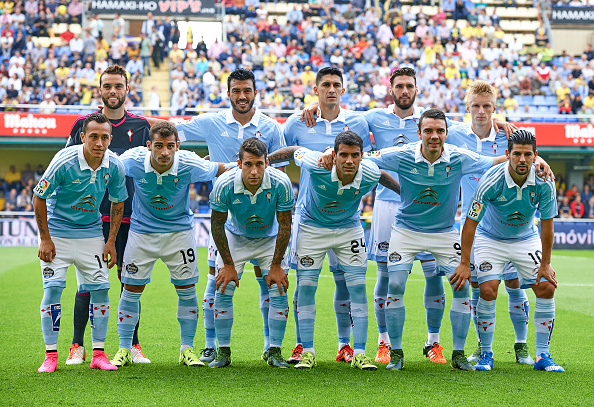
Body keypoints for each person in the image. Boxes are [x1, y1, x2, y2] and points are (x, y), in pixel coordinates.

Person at [303, 67, 516, 365]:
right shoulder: (374, 118)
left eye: (409, 86)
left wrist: (498, 121)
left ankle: (436, 344)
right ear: (391, 90)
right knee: (389, 278)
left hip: (439, 223)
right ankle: (386, 344)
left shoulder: (443, 129)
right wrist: (317, 106)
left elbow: (479, 126)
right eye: (399, 86)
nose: (404, 90)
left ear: (416, 90)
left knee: (439, 278)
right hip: (392, 208)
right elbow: (345, 125)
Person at [363, 109, 507, 371]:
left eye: (439, 131)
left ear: (446, 134)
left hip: (444, 232)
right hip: (406, 231)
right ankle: (396, 353)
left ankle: (458, 354)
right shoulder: (404, 154)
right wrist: (330, 155)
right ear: (419, 133)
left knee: (461, 287)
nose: (434, 136)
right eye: (428, 130)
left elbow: (494, 161)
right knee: (394, 283)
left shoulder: (460, 158)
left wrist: (536, 160)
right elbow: (368, 158)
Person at [174, 68, 287, 363]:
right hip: (227, 222)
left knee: (271, 285)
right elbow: (173, 132)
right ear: (228, 94)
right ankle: (212, 345)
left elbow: (281, 172)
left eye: (247, 90)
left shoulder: (271, 127)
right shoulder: (212, 122)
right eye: (236, 91)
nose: (241, 96)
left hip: (266, 223)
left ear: (255, 93)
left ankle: (271, 347)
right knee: (216, 283)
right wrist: (122, 117)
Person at [267, 131, 400, 370]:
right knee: (306, 287)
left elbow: (383, 177)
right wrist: (266, 160)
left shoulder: (368, 170)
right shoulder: (315, 162)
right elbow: (291, 151)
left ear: (362, 157)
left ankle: (359, 353)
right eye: (344, 155)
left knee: (358, 289)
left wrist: (405, 194)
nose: (349, 161)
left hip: (349, 228)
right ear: (334, 155)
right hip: (312, 227)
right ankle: (307, 351)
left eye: (355, 156)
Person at [445, 80, 551, 365]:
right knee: (482, 288)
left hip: (515, 227)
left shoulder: (510, 135)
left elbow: (526, 153)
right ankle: (483, 348)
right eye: (476, 106)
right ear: (468, 108)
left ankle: (521, 346)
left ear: (494, 108)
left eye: (487, 107)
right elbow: (431, 126)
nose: (481, 112)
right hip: (477, 225)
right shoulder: (454, 134)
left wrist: (543, 161)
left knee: (515, 284)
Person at [110, 122, 225, 367]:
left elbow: (222, 168)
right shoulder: (131, 160)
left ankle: (186, 349)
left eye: (170, 146)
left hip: (179, 234)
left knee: (187, 292)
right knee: (130, 291)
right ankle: (124, 348)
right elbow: (106, 164)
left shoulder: (189, 163)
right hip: (142, 234)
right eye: (159, 146)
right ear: (149, 145)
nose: (164, 152)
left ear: (177, 147)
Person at [282, 66, 372, 365]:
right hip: (310, 217)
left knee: (348, 284)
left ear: (343, 90)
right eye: (325, 85)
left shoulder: (359, 121)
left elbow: (372, 162)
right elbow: (288, 153)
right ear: (316, 90)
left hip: (348, 218)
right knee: (305, 284)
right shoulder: (297, 122)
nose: (331, 89)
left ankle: (348, 346)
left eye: (336, 85)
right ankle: (301, 346)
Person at [65, 65, 153, 366]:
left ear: (127, 89)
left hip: (131, 217)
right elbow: (68, 164)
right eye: (107, 86)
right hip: (90, 218)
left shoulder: (142, 127)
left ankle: (132, 345)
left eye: (118, 86)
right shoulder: (83, 125)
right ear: (99, 89)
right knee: (89, 284)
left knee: (130, 283)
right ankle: (77, 345)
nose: (113, 91)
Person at [457, 130, 564, 373]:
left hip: (525, 238)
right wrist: (465, 262)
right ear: (508, 155)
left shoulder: (544, 181)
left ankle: (543, 356)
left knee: (547, 286)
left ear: (536, 156)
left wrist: (546, 263)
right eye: (517, 154)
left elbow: (547, 223)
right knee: (487, 290)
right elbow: (471, 222)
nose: (522, 159)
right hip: (490, 238)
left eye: (528, 154)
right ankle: (486, 354)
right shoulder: (491, 179)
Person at [34, 112, 128, 373]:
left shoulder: (115, 165)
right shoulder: (64, 161)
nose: (99, 143)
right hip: (58, 234)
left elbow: (118, 201)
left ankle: (98, 353)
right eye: (94, 136)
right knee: (53, 289)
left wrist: (110, 242)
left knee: (100, 290)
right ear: (83, 137)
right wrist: (45, 238)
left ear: (110, 138)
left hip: (91, 234)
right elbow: (39, 197)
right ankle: (50, 355)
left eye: (105, 137)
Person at [208, 137, 294, 368]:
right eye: (248, 164)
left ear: (267, 162)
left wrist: (276, 265)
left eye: (259, 164)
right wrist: (228, 265)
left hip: (269, 239)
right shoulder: (224, 184)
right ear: (239, 163)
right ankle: (223, 351)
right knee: (224, 286)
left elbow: (285, 225)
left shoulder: (281, 182)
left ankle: (274, 351)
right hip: (235, 237)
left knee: (278, 287)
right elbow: (217, 224)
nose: (254, 171)